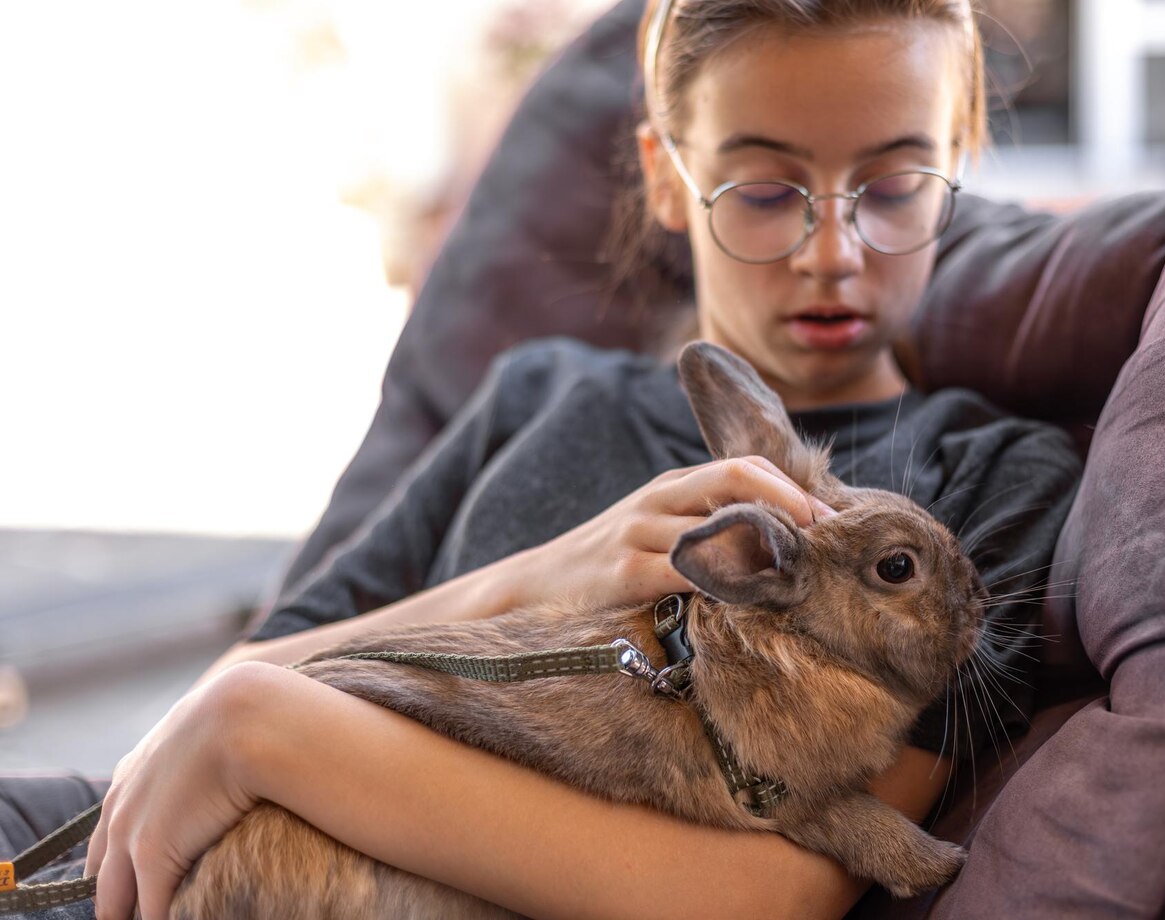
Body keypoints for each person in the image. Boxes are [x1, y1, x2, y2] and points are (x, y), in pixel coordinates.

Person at [67, 2, 1083, 918]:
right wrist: (538, 576)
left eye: (895, 186)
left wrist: (270, 736)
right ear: (666, 178)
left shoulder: (991, 482)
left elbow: (770, 889)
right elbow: (215, 703)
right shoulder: (542, 393)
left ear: (962, 159)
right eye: (765, 191)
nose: (831, 251)